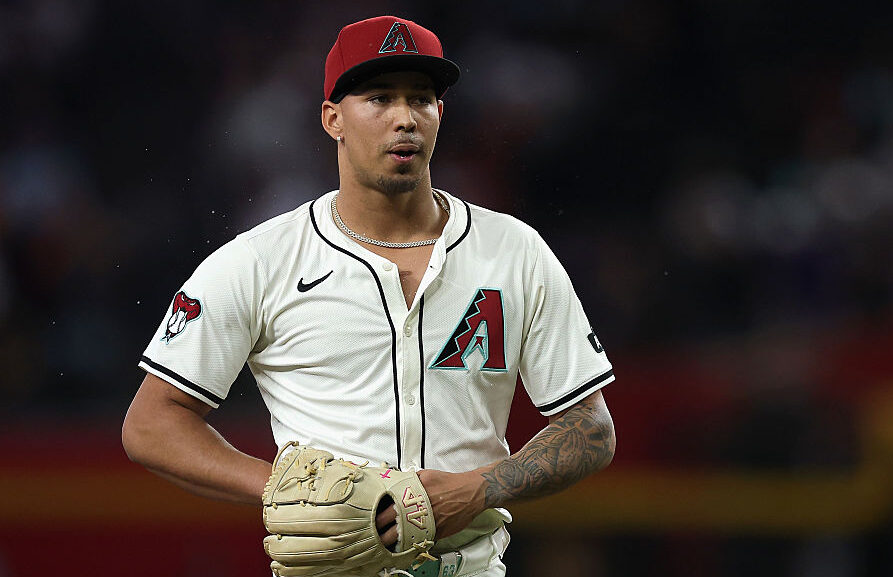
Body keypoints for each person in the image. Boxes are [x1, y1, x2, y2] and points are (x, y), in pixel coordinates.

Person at [122, 15, 616, 577]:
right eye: (379, 97)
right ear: (333, 118)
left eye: (422, 99)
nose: (404, 118)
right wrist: (286, 490)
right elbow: (150, 423)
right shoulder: (261, 260)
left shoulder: (514, 251)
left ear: (440, 114)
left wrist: (479, 488)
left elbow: (591, 429)